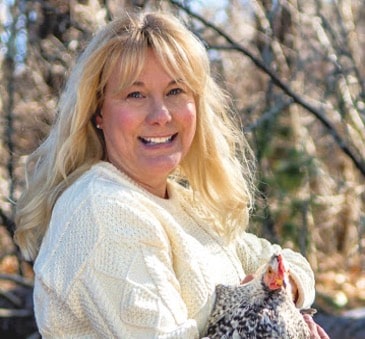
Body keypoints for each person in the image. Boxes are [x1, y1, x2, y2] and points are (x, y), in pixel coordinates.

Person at [15, 10, 328, 338]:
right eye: (135, 94)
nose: (160, 115)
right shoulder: (105, 210)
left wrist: (281, 292)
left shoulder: (184, 206)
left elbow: (286, 263)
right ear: (98, 112)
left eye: (175, 91)